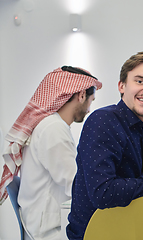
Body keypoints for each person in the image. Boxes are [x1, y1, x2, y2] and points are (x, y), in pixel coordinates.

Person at [66, 51, 143, 240]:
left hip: (122, 227)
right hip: (96, 234)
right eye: (140, 81)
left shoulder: (136, 128)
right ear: (121, 86)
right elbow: (103, 192)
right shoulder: (103, 121)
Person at [0, 66, 102, 240]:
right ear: (81, 95)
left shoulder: (51, 125)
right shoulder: (53, 128)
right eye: (91, 100)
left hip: (39, 221)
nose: (89, 109)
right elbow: (75, 185)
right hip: (49, 231)